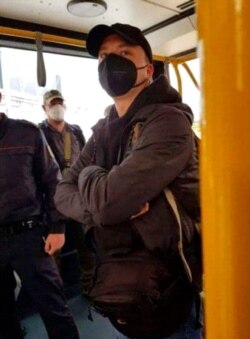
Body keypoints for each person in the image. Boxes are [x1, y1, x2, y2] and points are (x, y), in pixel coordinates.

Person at [54, 23, 202, 339]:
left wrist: (92, 177)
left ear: (147, 69)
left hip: (169, 282)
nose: (111, 63)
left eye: (123, 53)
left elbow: (108, 201)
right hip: (121, 280)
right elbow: (62, 192)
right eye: (104, 56)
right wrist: (107, 205)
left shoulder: (168, 121)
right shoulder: (102, 131)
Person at [0, 90, 80, 339]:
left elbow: (52, 181)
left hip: (29, 234)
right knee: (2, 315)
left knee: (53, 306)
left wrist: (57, 228)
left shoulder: (27, 133)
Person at [40, 89, 95, 295]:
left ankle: (90, 286)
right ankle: (57, 294)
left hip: (78, 195)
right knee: (53, 252)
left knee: (86, 244)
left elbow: (88, 158)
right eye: (52, 104)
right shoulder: (39, 133)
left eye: (59, 103)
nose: (57, 107)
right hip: (53, 199)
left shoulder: (75, 131)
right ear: (44, 108)